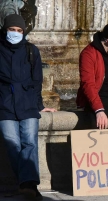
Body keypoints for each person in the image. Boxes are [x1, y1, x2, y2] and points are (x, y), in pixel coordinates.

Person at [0, 14, 56, 200]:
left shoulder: (31, 50)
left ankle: (28, 185)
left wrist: (39, 105)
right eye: (12, 29)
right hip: (4, 104)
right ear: (5, 29)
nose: (15, 33)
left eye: (19, 30)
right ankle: (27, 183)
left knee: (29, 143)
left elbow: (37, 80)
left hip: (28, 104)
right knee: (12, 144)